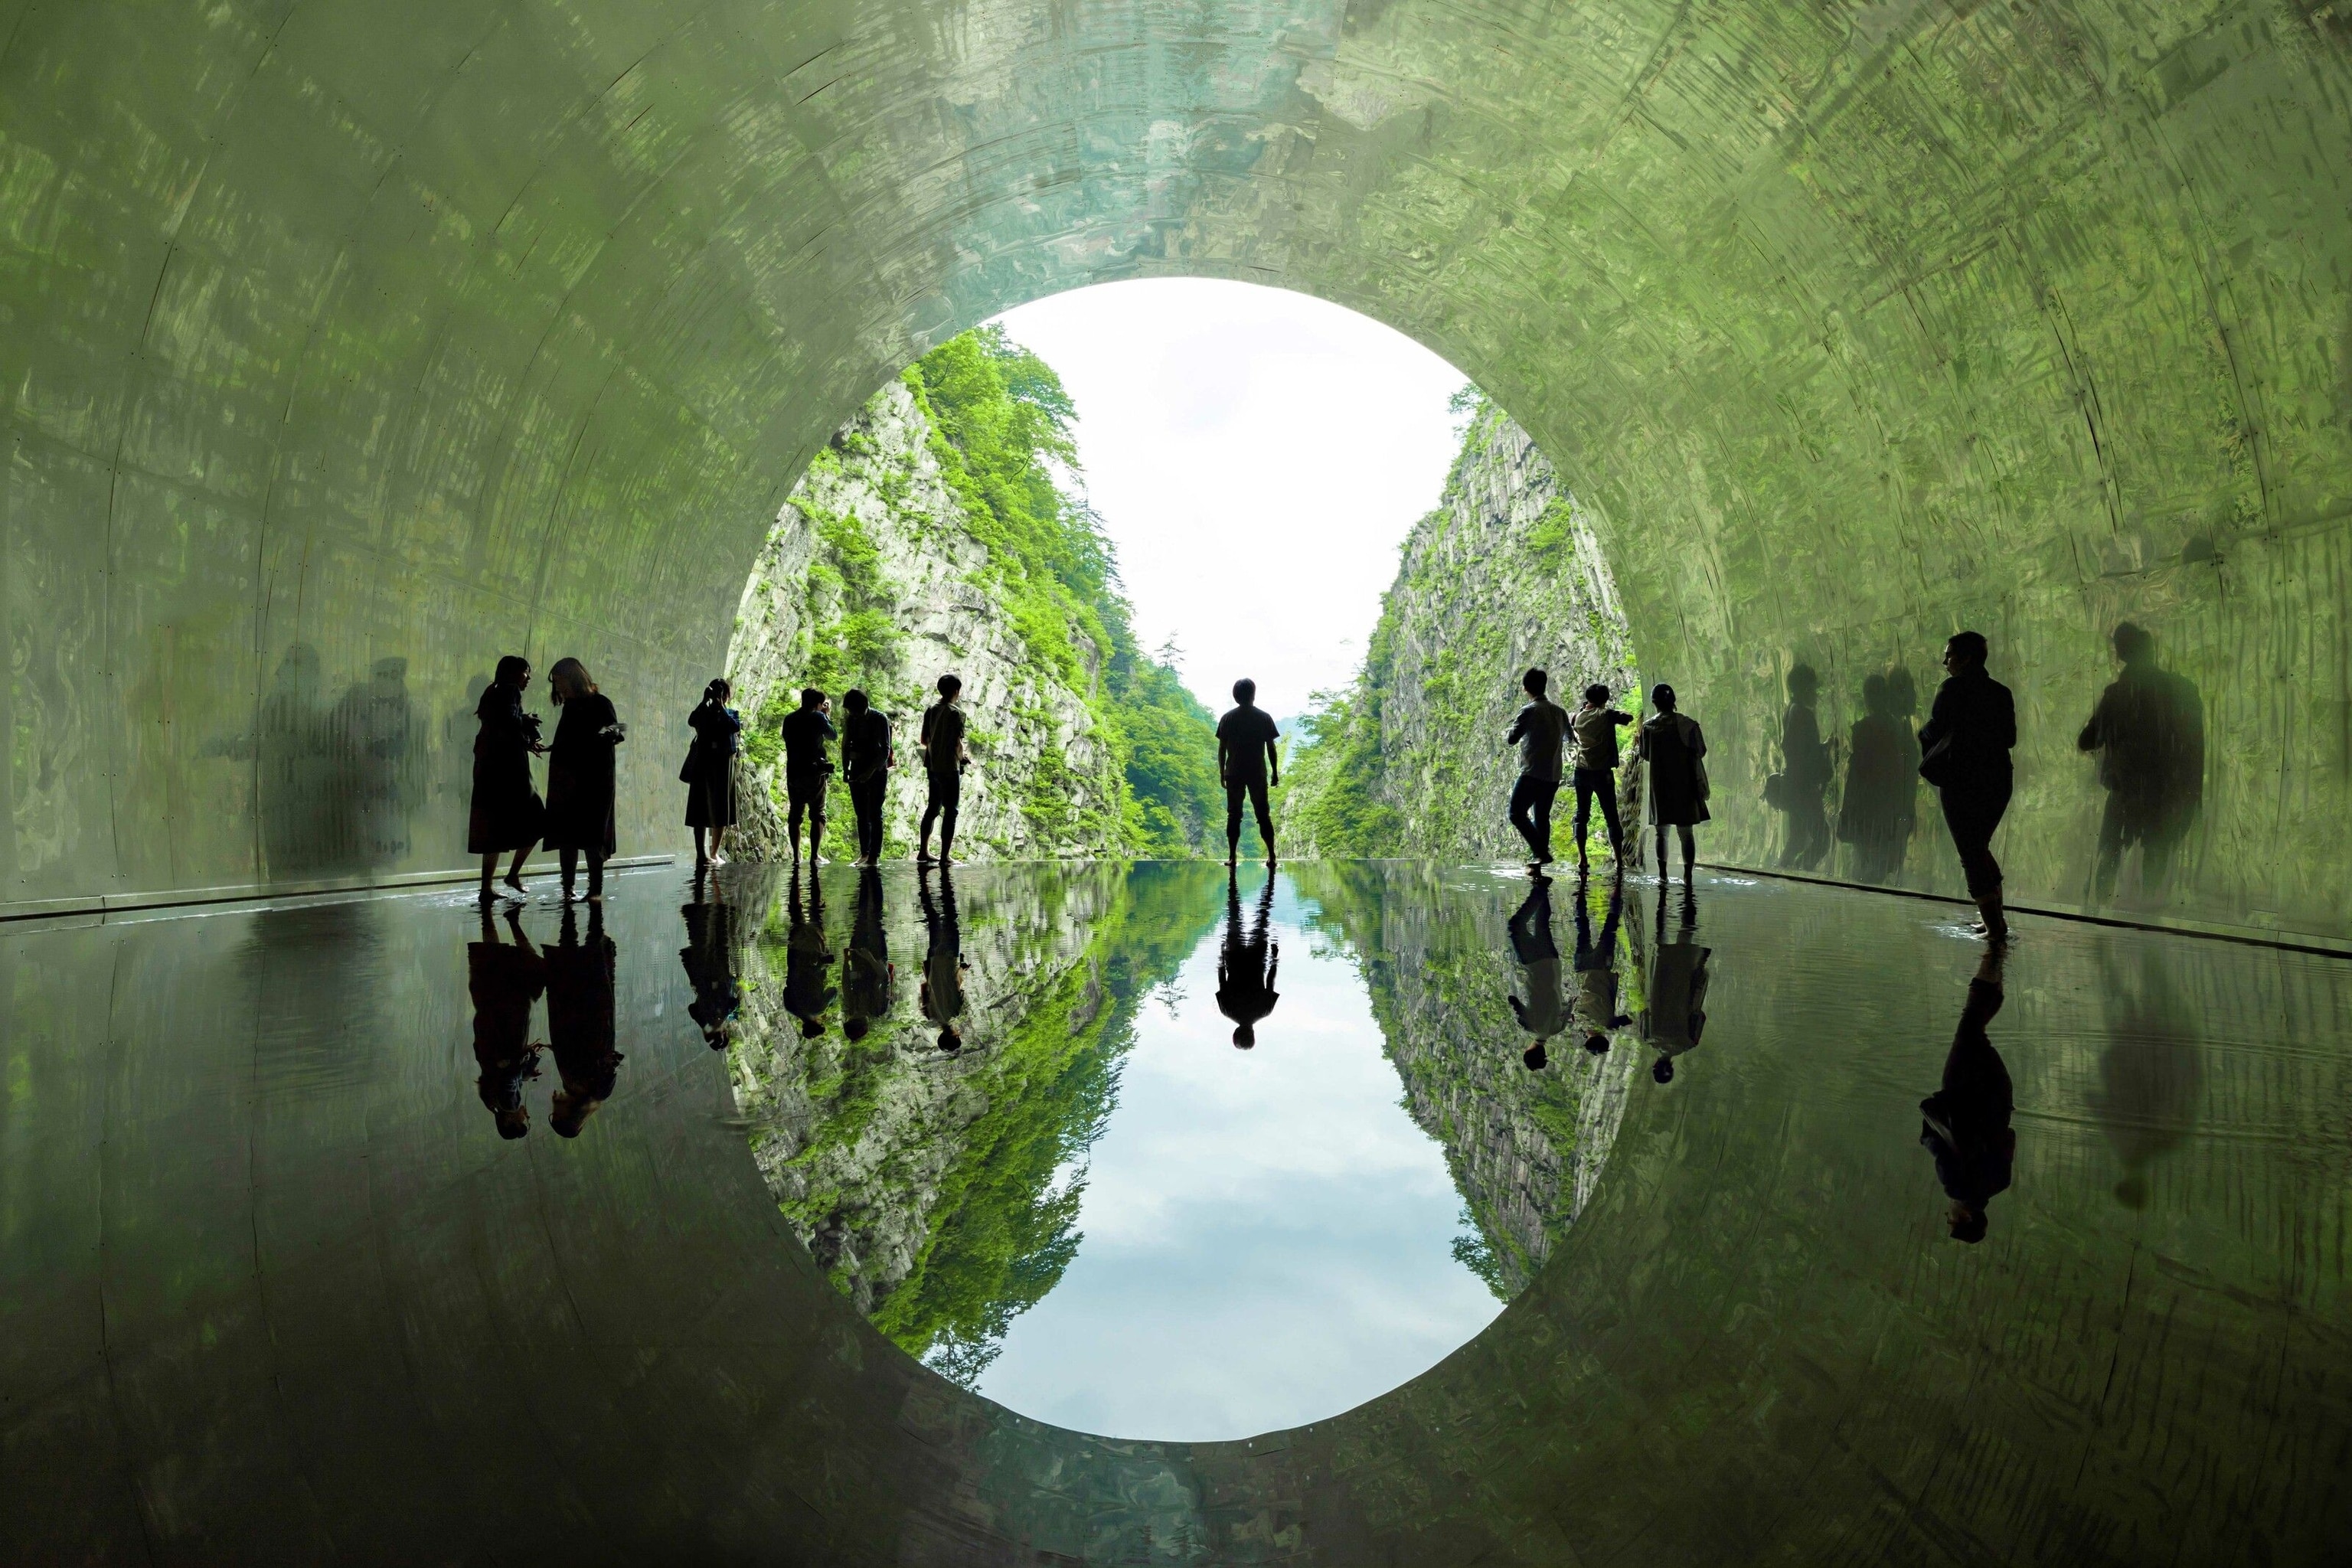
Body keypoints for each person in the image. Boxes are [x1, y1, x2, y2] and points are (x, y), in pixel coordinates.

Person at [2078, 622, 2203, 904]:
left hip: (2125, 788)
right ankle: (2147, 912)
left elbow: (2088, 740)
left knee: (2110, 851)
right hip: (2166, 791)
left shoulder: (2118, 694)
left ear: (2122, 654)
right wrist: (2192, 792)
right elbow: (2195, 747)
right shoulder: (2181, 690)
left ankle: (2100, 909)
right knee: (2155, 851)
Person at [1919, 630, 2017, 943]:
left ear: (1966, 659)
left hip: (1960, 780)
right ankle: (1995, 919)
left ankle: (1994, 927)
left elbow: (1934, 731)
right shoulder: (2001, 693)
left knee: (1970, 852)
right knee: (1980, 846)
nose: (1945, 660)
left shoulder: (1951, 689)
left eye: (1949, 655)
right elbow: (2010, 739)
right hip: (1998, 780)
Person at [1919, 946, 2014, 1244]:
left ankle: (1997, 969)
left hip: (1999, 1094)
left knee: (1975, 1028)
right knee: (1968, 1026)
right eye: (1952, 1219)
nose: (1948, 1214)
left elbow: (2010, 1137)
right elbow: (1938, 1147)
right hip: (1963, 1091)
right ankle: (1995, 954)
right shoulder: (1955, 1188)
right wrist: (1926, 1136)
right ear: (1967, 1217)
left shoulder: (2000, 1182)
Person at [542, 657, 623, 902]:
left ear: (574, 679)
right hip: (569, 780)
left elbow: (615, 732)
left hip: (594, 780)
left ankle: (594, 888)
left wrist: (588, 742)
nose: (558, 688)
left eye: (560, 682)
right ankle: (569, 888)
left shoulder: (600, 703)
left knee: (590, 836)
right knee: (569, 836)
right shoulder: (571, 706)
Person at [469, 655, 544, 903]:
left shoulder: (493, 691)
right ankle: (513, 874)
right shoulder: (511, 690)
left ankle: (486, 887)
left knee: (492, 827)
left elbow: (499, 725)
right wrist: (527, 720)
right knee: (538, 817)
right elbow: (511, 721)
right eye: (526, 673)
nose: (528, 678)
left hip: (489, 769)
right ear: (514, 674)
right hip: (509, 770)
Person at [544, 902, 621, 1138]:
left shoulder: (587, 1088)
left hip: (584, 1006)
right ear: (567, 1115)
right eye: (555, 1115)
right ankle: (588, 897)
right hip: (584, 1007)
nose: (553, 1110)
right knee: (584, 947)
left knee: (583, 947)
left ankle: (578, 899)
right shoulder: (591, 1087)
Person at [469, 902, 544, 1139]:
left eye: (525, 1122)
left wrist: (527, 1061)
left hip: (509, 1024)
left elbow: (510, 1074)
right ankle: (489, 913)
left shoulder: (510, 1103)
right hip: (493, 1021)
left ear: (512, 1121)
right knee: (492, 957)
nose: (527, 1116)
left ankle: (512, 920)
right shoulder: (494, 1100)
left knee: (533, 973)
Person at [1837, 672, 1918, 884]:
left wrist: (1849, 807)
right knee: (1881, 858)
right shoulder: (1897, 729)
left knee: (1863, 855)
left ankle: (1861, 895)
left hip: (1866, 806)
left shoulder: (1864, 729)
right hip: (1887, 805)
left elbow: (1857, 774)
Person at [1637, 684, 1710, 883]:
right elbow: (1701, 751)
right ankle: (1688, 874)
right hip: (1685, 784)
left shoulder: (1648, 727)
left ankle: (1663, 875)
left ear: (1654, 703)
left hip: (1660, 785)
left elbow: (1645, 754)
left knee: (1662, 832)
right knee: (1686, 833)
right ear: (1673, 701)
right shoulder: (1688, 725)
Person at [1640, 884, 1710, 1083]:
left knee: (1685, 935)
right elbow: (1644, 1012)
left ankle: (1689, 895)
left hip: (1684, 984)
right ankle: (1663, 897)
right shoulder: (1649, 1037)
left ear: (1671, 1067)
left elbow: (1700, 1016)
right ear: (1655, 1065)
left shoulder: (1688, 1043)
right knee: (1661, 937)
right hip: (1662, 981)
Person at [1501, 668, 1569, 869]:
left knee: (1516, 813)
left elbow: (1512, 739)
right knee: (1542, 816)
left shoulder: (1529, 711)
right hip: (1553, 773)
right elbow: (1568, 737)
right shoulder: (1560, 712)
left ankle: (1541, 852)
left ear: (1526, 689)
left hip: (1532, 773)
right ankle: (1539, 857)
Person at [1772, 663, 1834, 871]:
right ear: (1804, 688)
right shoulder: (1803, 714)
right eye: (1813, 688)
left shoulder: (1790, 711)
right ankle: (1800, 870)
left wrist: (1822, 747)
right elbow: (1805, 754)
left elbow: (1795, 749)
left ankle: (1782, 872)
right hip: (1803, 787)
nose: (1816, 693)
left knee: (1797, 838)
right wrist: (1823, 755)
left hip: (1792, 786)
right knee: (1822, 839)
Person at [1569, 681, 1635, 870]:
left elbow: (1572, 718)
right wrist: (1613, 710)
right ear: (1605, 700)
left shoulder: (1577, 717)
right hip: (1602, 772)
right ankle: (1620, 861)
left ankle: (1582, 858)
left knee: (1582, 814)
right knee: (1612, 817)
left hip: (1581, 770)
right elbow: (1627, 718)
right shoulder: (1606, 715)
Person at [1217, 678, 1280, 867]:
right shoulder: (1264, 718)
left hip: (1233, 772)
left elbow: (1221, 749)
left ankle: (1233, 858)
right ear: (1253, 694)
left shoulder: (1227, 718)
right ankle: (1272, 857)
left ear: (1236, 696)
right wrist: (1274, 772)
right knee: (1263, 815)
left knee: (1234, 815)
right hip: (1257, 772)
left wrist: (1222, 772)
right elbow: (1271, 748)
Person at [1504, 874, 1566, 1070]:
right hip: (1535, 965)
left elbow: (1567, 1008)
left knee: (1542, 924)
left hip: (1554, 964)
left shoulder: (1558, 1029)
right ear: (1527, 1051)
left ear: (1544, 1053)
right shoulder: (1530, 1026)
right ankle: (1539, 889)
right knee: (1515, 926)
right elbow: (1514, 1001)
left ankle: (1542, 887)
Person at [1215, 869, 1281, 1048]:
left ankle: (1271, 877)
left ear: (1253, 1035)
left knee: (1263, 916)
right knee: (1234, 913)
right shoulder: (1226, 1010)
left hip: (1257, 959)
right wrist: (1221, 956)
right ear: (1235, 1034)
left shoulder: (1265, 1011)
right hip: (1234, 958)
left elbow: (1271, 980)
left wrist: (1274, 958)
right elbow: (1221, 980)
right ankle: (1232, 875)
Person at [678, 867, 743, 1049]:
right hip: (702, 975)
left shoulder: (719, 1017)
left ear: (724, 1034)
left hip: (716, 971)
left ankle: (708, 893)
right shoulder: (707, 1021)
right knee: (706, 941)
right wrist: (705, 1027)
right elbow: (692, 1009)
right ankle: (704, 900)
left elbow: (731, 1000)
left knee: (714, 939)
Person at [684, 677, 742, 867]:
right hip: (705, 763)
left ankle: (714, 853)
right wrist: (704, 701)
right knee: (699, 809)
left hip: (724, 764)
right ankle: (701, 854)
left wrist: (721, 706)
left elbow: (734, 727)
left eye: (722, 693)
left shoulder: (731, 713)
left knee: (722, 808)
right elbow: (691, 721)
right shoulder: (704, 712)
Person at [1571, 874, 1629, 1056]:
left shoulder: (1608, 1023)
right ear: (1587, 1040)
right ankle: (1581, 885)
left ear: (1604, 1038)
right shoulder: (1577, 1021)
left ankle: (1618, 885)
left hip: (1602, 967)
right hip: (1581, 968)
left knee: (1610, 927)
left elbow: (1628, 1019)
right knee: (1582, 927)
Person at [779, 687, 837, 865]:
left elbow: (786, 739)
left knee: (795, 813)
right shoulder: (818, 717)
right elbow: (832, 735)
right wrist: (826, 716)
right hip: (814, 771)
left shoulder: (790, 719)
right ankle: (814, 856)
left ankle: (796, 857)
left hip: (795, 770)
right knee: (818, 813)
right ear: (818, 704)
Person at [917, 675, 969, 865]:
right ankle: (945, 857)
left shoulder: (931, 710)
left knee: (932, 808)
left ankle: (924, 851)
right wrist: (962, 758)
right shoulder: (956, 713)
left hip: (933, 765)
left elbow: (924, 740)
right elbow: (957, 744)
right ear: (956, 691)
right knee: (951, 810)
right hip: (949, 766)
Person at [840, 688, 894, 866]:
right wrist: (845, 769)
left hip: (877, 771)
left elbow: (886, 750)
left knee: (875, 813)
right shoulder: (852, 719)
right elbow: (846, 745)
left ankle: (874, 856)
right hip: (857, 768)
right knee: (861, 814)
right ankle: (864, 853)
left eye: (853, 710)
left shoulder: (880, 718)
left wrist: (870, 772)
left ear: (863, 705)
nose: (852, 714)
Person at [918, 862, 968, 1051]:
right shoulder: (929, 1014)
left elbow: (956, 982)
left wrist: (962, 969)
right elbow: (924, 986)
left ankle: (945, 877)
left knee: (950, 916)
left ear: (956, 1035)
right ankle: (923, 883)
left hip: (948, 958)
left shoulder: (955, 1011)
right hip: (933, 960)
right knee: (933, 920)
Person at [841, 866, 894, 1041]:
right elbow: (884, 976)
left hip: (859, 958)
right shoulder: (877, 1008)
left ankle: (867, 877)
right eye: (856, 1019)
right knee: (872, 919)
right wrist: (868, 958)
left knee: (864, 919)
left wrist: (846, 961)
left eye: (853, 1018)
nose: (855, 1015)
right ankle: (873, 876)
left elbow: (845, 983)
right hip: (875, 957)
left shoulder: (851, 1007)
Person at [782, 867, 835, 1040]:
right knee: (796, 915)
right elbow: (785, 990)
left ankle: (815, 874)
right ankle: (795, 875)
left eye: (821, 1022)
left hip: (814, 953)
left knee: (816, 913)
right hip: (795, 954)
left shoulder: (819, 1008)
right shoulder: (791, 1008)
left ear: (818, 1023)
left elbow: (833, 991)